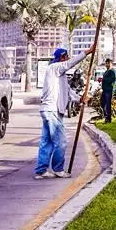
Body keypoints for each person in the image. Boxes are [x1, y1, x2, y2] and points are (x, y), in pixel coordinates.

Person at [36, 47, 90, 180]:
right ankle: (58, 169)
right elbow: (69, 64)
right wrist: (87, 52)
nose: (67, 59)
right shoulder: (54, 68)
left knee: (47, 141)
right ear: (62, 58)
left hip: (51, 110)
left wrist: (80, 98)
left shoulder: (61, 75)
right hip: (52, 110)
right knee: (61, 141)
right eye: (66, 57)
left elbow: (68, 92)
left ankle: (41, 170)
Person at [100, 58, 116, 123]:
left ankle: (108, 118)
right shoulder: (106, 71)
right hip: (104, 90)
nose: (107, 64)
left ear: (111, 64)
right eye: (106, 63)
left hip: (109, 90)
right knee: (102, 103)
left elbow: (113, 79)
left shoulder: (112, 71)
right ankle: (106, 116)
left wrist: (104, 80)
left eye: (108, 63)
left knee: (107, 105)